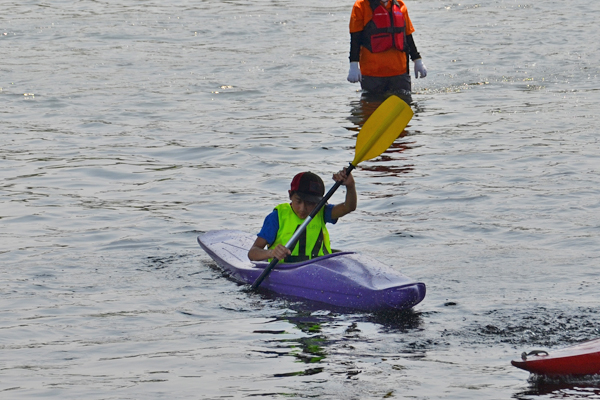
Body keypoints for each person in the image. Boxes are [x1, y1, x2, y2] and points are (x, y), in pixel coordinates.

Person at [248, 170, 356, 262]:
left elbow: (349, 207)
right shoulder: (277, 217)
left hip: (319, 270)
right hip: (285, 272)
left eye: (310, 203)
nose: (302, 209)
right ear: (290, 194)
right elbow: (253, 253)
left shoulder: (321, 211)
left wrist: (350, 185)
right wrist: (271, 253)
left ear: (318, 203)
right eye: (298, 201)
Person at [347, 0, 427, 102]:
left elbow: (407, 36)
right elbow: (355, 38)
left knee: (403, 108)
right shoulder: (360, 6)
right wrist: (353, 64)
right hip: (372, 74)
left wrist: (417, 60)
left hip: (400, 72)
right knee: (371, 111)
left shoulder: (400, 5)